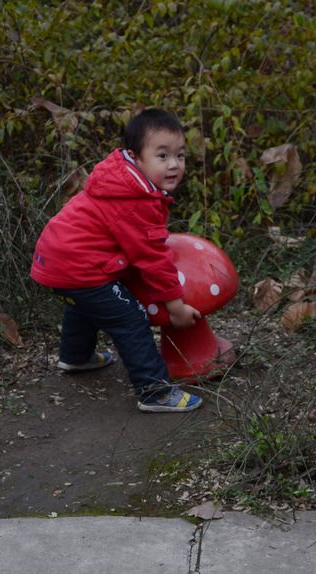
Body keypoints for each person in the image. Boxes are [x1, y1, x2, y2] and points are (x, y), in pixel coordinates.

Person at [31, 108, 203, 413]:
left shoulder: (122, 180)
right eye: (162, 156)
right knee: (129, 317)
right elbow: (152, 259)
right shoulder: (135, 199)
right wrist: (175, 307)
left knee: (85, 303)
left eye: (180, 155)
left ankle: (75, 356)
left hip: (56, 260)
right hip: (79, 265)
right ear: (137, 157)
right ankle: (155, 392)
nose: (174, 164)